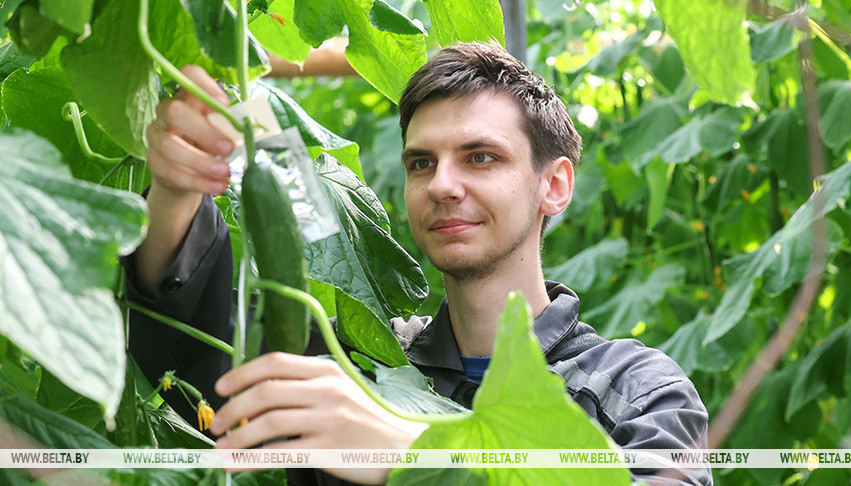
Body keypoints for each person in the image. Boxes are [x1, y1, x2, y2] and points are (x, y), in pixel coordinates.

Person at [125, 42, 711, 486]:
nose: (442, 185)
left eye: (480, 157)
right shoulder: (363, 362)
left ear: (554, 185)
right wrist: (177, 191)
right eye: (421, 163)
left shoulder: (637, 392)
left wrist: (416, 453)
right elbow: (198, 352)